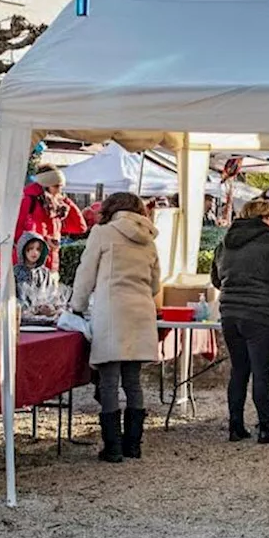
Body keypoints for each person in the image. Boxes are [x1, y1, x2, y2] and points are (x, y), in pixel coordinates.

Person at [71, 193, 161, 463]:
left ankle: (113, 448)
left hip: (111, 312)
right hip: (142, 312)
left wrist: (77, 305)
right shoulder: (149, 239)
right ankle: (133, 445)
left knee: (109, 382)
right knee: (133, 382)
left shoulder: (102, 233)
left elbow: (85, 274)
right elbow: (156, 285)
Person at [211, 199, 269, 443]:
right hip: (261, 314)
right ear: (264, 218)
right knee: (261, 374)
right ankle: (267, 428)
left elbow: (216, 280)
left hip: (230, 313)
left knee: (239, 371)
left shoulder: (224, 243)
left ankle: (235, 426)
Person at [14, 163, 86, 274]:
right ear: (45, 185)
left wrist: (66, 200)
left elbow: (80, 227)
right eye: (56, 186)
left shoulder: (58, 206)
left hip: (52, 262)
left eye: (61, 187)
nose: (59, 191)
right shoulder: (29, 200)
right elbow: (18, 232)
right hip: (31, 263)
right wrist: (44, 240)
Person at [14, 231, 52, 301]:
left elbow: (49, 294)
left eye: (38, 249)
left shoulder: (45, 273)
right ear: (23, 249)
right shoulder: (16, 271)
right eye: (31, 248)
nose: (35, 252)